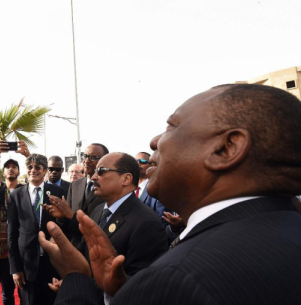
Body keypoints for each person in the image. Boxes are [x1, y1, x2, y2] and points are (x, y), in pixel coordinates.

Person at [40, 84, 301, 305]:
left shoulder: (179, 279)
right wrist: (121, 290)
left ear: (226, 149)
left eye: (171, 127)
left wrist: (76, 277)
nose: (155, 141)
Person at [47, 153, 168, 304]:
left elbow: (143, 286)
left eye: (102, 171)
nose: (93, 177)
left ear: (126, 179)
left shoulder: (146, 223)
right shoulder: (98, 211)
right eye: (96, 172)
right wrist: (71, 280)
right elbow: (85, 257)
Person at [7, 154, 65, 305]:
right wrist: (15, 269)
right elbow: (12, 234)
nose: (33, 170)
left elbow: (65, 225)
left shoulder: (58, 192)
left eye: (37, 167)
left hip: (52, 263)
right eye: (30, 167)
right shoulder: (16, 195)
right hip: (26, 265)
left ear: (45, 170)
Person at [0, 140, 30, 305]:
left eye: (14, 167)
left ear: (18, 171)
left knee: (26, 290)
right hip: (2, 248)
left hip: (22, 244)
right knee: (7, 291)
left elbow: (38, 179)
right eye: (7, 167)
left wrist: (27, 155)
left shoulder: (25, 190)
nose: (11, 169)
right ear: (3, 172)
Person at [50, 144, 109, 247]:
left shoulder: (109, 187)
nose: (86, 161)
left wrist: (71, 216)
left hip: (98, 247)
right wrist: (61, 217)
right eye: (85, 156)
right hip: (75, 248)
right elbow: (68, 220)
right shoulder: (75, 185)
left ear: (104, 161)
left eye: (93, 157)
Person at [135, 152, 176, 228]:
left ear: (151, 166)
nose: (138, 163)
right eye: (135, 161)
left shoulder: (157, 189)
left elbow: (161, 222)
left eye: (142, 161)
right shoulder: (128, 189)